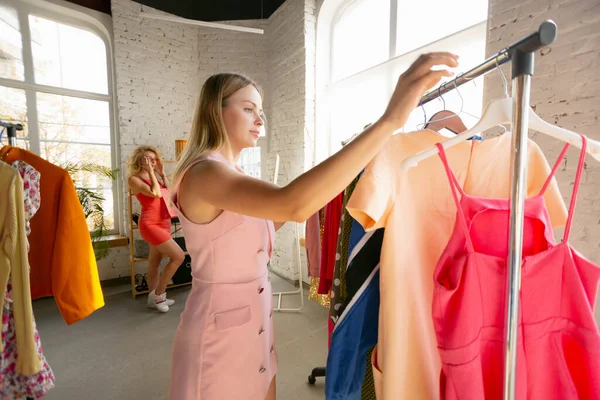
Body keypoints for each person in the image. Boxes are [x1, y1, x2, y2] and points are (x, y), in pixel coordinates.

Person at [168, 52, 459, 399]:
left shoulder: (233, 175)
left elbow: (272, 217)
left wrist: (348, 166)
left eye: (261, 110)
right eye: (248, 109)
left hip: (253, 328)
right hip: (218, 337)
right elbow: (292, 205)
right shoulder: (206, 173)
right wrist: (388, 122)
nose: (260, 118)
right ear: (216, 111)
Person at [127, 145, 185, 312]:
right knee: (178, 257)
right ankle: (160, 294)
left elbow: (168, 191)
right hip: (150, 224)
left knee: (155, 262)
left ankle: (152, 299)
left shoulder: (156, 177)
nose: (152, 162)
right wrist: (152, 174)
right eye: (148, 159)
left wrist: (160, 173)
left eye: (154, 159)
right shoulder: (134, 179)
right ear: (140, 160)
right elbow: (156, 194)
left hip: (164, 222)